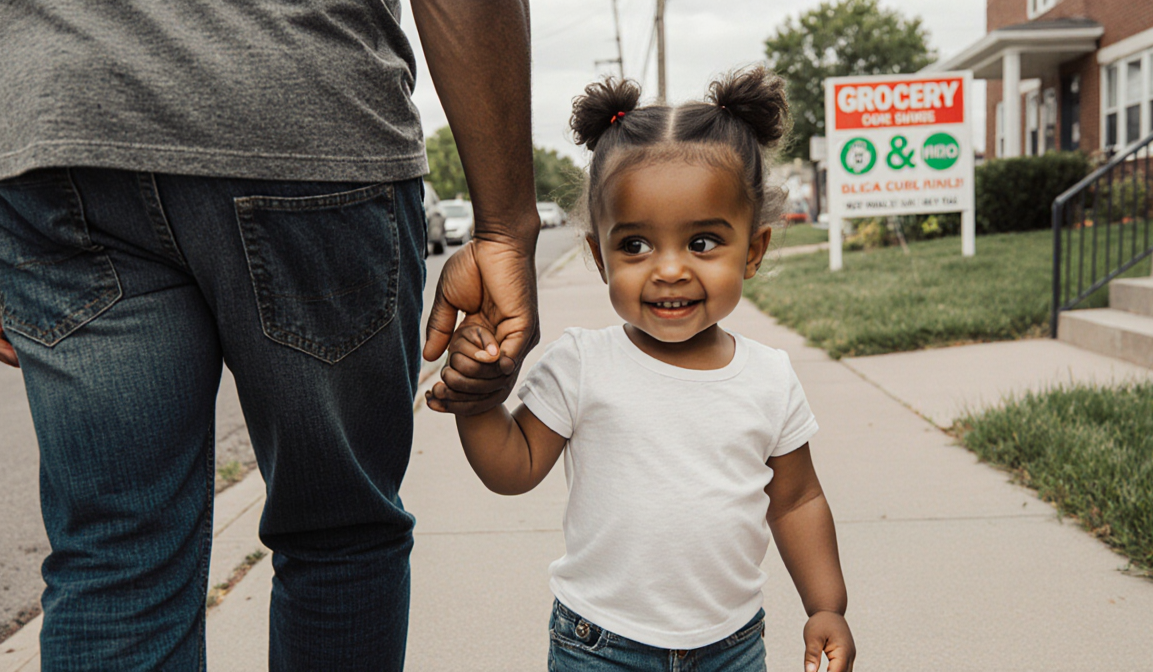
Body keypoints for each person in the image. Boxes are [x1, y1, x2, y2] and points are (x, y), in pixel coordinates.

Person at [0, 1, 539, 669]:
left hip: (57, 120)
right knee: (339, 535)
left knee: (116, 557)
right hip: (299, 102)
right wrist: (506, 227)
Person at [426, 67, 856, 672]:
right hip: (601, 645)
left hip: (732, 647)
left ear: (752, 251)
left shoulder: (769, 377)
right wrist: (477, 400)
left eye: (703, 242)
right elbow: (514, 467)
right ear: (600, 258)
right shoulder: (582, 364)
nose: (670, 270)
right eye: (636, 245)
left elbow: (796, 500)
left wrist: (826, 606)